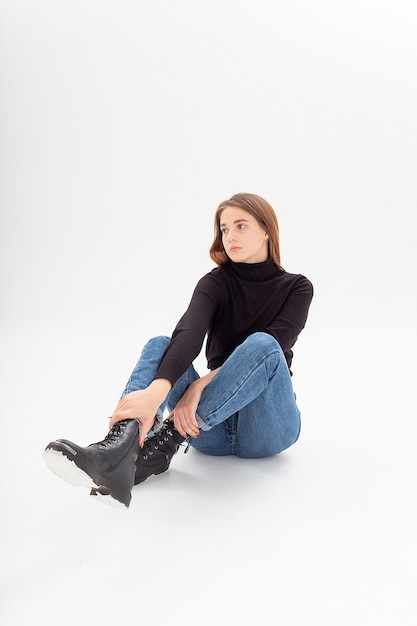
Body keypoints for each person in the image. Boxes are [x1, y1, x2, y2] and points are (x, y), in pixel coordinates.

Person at [43, 193, 314, 508]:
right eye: (224, 229)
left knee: (263, 344)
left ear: (267, 230)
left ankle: (164, 441)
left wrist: (199, 384)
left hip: (268, 427)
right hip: (205, 432)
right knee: (160, 344)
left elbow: (274, 347)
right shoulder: (215, 283)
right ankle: (119, 449)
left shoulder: (297, 287)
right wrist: (157, 392)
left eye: (240, 225)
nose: (230, 236)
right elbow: (189, 333)